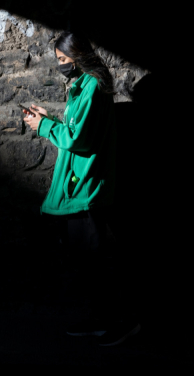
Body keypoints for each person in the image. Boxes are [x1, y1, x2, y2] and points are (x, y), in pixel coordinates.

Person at [22, 32, 141, 347]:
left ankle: (120, 322)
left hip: (85, 190)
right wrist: (49, 120)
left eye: (64, 59)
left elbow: (77, 139)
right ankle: (102, 319)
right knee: (89, 262)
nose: (61, 65)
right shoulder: (84, 88)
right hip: (80, 187)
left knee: (95, 261)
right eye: (58, 60)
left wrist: (43, 126)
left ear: (80, 55)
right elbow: (76, 131)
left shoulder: (90, 87)